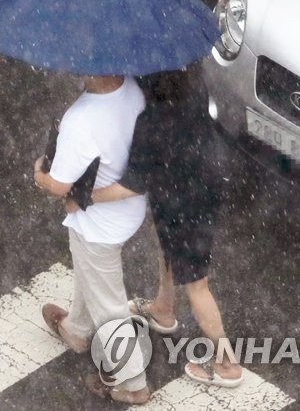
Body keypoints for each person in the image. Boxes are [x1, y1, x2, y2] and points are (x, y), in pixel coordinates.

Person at [90, 68, 244, 388]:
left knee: (197, 285)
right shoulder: (192, 81)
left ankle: (227, 365)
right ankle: (163, 309)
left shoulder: (151, 121)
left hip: (183, 197)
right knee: (170, 251)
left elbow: (130, 186)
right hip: (197, 180)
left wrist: (86, 196)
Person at [33, 74, 151, 405]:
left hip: (98, 222)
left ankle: (132, 382)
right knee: (86, 267)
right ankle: (77, 329)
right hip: (126, 208)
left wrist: (38, 172)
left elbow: (59, 184)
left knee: (110, 307)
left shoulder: (80, 119)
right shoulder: (133, 89)